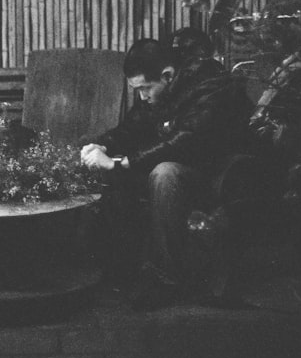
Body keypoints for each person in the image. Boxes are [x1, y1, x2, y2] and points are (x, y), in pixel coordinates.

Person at [81, 32, 257, 310]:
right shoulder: (161, 89)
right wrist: (99, 145)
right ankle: (123, 269)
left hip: (220, 174)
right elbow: (132, 127)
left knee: (164, 174)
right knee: (128, 170)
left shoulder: (210, 84)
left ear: (167, 75)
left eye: (145, 88)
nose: (142, 96)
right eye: (137, 90)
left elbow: (186, 141)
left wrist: (120, 162)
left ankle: (166, 281)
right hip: (186, 165)